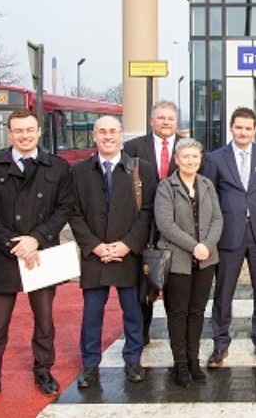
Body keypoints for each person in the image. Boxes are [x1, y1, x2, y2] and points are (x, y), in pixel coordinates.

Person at [0, 109, 74, 413]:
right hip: (5, 255)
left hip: (42, 253)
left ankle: (43, 371)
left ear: (39, 131)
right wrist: (18, 245)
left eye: (29, 130)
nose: (24, 135)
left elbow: (64, 208)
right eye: (18, 131)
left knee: (44, 322)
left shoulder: (58, 167)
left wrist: (36, 238)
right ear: (9, 134)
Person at [70, 116, 158, 388]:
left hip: (128, 255)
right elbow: (73, 212)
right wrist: (95, 245)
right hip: (94, 254)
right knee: (92, 314)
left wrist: (127, 244)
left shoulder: (141, 168)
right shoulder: (79, 171)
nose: (108, 137)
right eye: (102, 132)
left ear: (121, 135)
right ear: (94, 136)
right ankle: (89, 366)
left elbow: (148, 212)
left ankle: (132, 360)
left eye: (113, 132)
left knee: (133, 312)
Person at [202, 107, 256, 367]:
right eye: (239, 127)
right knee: (224, 291)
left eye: (248, 128)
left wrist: (255, 210)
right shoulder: (215, 159)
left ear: (255, 129)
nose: (243, 132)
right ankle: (220, 343)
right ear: (231, 128)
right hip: (227, 235)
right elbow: (208, 196)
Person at [154, 138, 222, 387]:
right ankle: (180, 363)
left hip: (206, 260)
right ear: (176, 159)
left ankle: (194, 360)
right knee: (178, 312)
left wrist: (207, 246)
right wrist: (194, 246)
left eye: (195, 157)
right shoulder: (166, 187)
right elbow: (166, 225)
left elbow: (217, 219)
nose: (190, 161)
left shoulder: (207, 185)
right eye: (185, 157)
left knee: (197, 312)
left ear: (201, 159)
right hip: (178, 260)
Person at [123, 100, 182, 345]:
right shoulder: (133, 148)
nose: (166, 122)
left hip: (178, 229)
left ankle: (176, 338)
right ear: (151, 121)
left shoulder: (189, 148)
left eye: (170, 118)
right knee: (143, 287)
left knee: (176, 289)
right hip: (143, 227)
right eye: (161, 118)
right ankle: (141, 337)